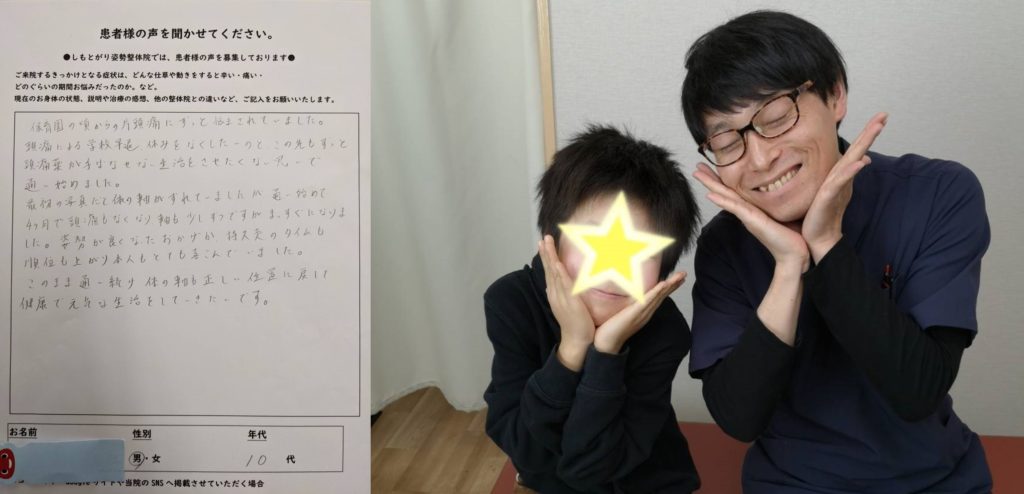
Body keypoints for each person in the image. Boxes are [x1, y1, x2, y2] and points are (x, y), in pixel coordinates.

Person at [681, 10, 992, 493]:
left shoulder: (939, 193)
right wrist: (790, 266)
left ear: (835, 95)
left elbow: (918, 391)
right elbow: (738, 418)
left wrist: (826, 244)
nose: (760, 158)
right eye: (726, 142)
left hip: (935, 480)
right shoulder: (725, 244)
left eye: (776, 118)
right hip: (788, 484)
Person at [483, 125, 702, 493]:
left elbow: (593, 469)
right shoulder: (511, 302)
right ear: (552, 239)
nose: (611, 270)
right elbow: (525, 450)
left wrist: (606, 352)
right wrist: (572, 348)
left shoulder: (666, 330)